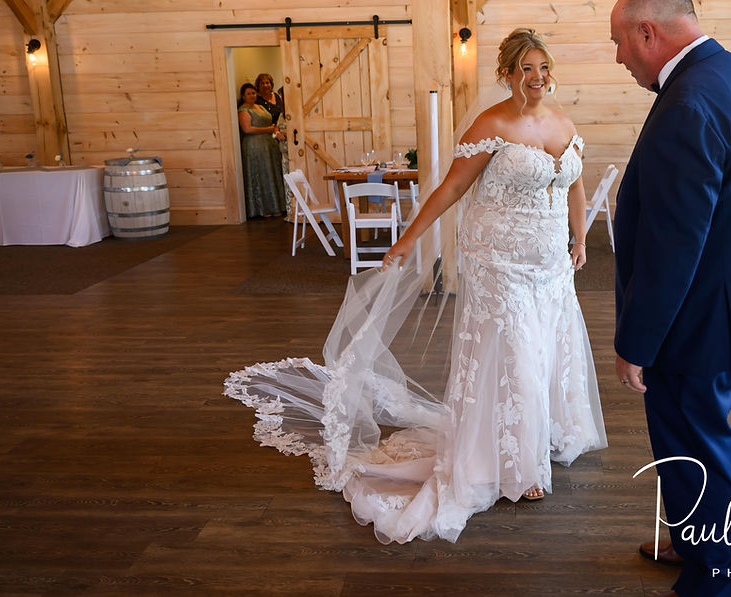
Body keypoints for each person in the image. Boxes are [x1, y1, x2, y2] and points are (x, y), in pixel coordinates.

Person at [224, 28, 606, 543]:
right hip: (499, 262)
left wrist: (579, 239)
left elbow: (575, 185)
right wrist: (409, 239)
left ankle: (539, 435)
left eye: (543, 69)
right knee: (513, 352)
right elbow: (451, 185)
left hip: (550, 267)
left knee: (544, 350)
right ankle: (516, 466)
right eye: (526, 69)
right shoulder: (491, 124)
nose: (537, 78)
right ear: (508, 74)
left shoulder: (564, 122)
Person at [609, 0, 731, 597]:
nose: (620, 57)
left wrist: (638, 341)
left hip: (696, 322)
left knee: (698, 458)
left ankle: (711, 581)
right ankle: (691, 544)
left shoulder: (687, 102)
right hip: (728, 305)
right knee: (693, 452)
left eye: (619, 43)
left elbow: (673, 245)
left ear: (647, 32)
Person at [238, 82, 286, 218]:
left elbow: (272, 122)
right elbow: (247, 129)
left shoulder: (259, 107)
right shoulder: (243, 110)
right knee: (261, 173)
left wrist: (275, 129)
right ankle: (263, 209)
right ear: (243, 96)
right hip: (255, 145)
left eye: (253, 93)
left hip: (268, 143)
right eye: (248, 93)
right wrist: (269, 129)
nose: (252, 95)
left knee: (272, 172)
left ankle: (278, 206)